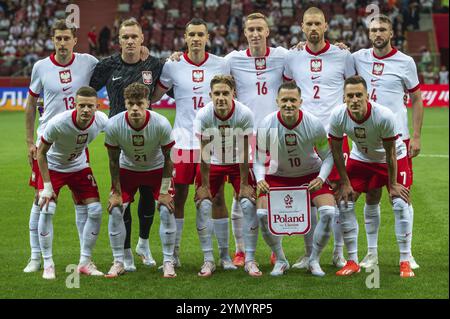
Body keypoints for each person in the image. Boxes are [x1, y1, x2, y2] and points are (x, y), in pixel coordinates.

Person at [151, 18, 230, 268]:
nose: (196, 39)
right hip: (182, 143)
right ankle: (173, 254)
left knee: (215, 199)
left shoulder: (222, 64)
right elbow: (152, 97)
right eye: (191, 35)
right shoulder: (172, 66)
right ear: (185, 38)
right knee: (180, 197)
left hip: (213, 143)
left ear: (208, 38)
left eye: (200, 34)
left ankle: (221, 256)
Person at [24, 19, 99, 274]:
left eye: (67, 38)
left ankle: (84, 260)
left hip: (77, 140)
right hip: (48, 141)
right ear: (52, 40)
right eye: (58, 38)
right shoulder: (41, 67)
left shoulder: (88, 62)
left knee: (83, 203)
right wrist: (28, 141)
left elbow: (111, 68)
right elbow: (31, 104)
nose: (63, 43)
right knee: (41, 200)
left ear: (75, 40)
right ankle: (36, 256)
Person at [283, 6, 355, 269]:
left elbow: (354, 88)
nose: (313, 29)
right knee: (307, 195)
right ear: (302, 27)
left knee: (341, 196)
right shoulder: (292, 57)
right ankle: (308, 253)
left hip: (336, 135)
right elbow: (287, 89)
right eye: (309, 24)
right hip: (304, 136)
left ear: (326, 26)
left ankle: (338, 253)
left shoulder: (343, 55)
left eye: (318, 24)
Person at [90, 18, 164, 271]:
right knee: (123, 198)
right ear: (118, 40)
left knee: (147, 195)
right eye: (125, 37)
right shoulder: (107, 66)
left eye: (134, 36)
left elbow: (178, 84)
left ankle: (143, 243)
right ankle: (126, 253)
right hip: (119, 140)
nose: (130, 41)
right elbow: (87, 93)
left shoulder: (154, 64)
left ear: (142, 39)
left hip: (149, 137)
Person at [352, 14, 423, 269]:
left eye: (382, 29)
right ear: (368, 34)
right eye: (373, 30)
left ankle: (407, 254)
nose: (378, 33)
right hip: (367, 141)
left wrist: (415, 135)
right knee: (371, 197)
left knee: (400, 197)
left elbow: (417, 99)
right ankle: (371, 254)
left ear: (391, 33)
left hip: (398, 140)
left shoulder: (405, 62)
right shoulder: (358, 58)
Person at [329, 75, 414, 278]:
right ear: (344, 98)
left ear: (368, 96)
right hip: (362, 158)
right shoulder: (338, 115)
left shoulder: (383, 116)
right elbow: (336, 150)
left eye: (359, 95)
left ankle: (405, 260)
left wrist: (392, 184)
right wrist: (345, 182)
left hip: (391, 158)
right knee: (345, 202)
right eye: (350, 95)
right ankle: (352, 261)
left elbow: (391, 152)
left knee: (400, 202)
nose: (355, 99)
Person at [224, 12, 289, 266]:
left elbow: (306, 55)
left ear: (267, 31)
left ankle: (275, 249)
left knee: (273, 191)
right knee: (240, 193)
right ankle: (240, 250)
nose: (254, 33)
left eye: (259, 29)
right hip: (243, 135)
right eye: (250, 29)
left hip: (274, 135)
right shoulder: (232, 60)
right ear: (244, 33)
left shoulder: (283, 56)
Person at [255, 81, 336, 276]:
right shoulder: (267, 124)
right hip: (278, 176)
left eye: (293, 100)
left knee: (328, 212)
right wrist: (260, 180)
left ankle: (313, 259)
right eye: (284, 100)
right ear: (277, 101)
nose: (288, 104)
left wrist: (321, 177)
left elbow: (328, 156)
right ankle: (281, 260)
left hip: (309, 175)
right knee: (261, 215)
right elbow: (257, 159)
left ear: (300, 101)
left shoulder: (314, 124)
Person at [104, 82, 176, 278]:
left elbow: (170, 159)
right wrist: (117, 193)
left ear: (147, 103)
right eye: (131, 103)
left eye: (140, 103)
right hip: (128, 170)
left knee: (167, 209)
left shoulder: (160, 123)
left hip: (156, 170)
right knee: (116, 209)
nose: (135, 108)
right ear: (125, 104)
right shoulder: (114, 124)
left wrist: (163, 191)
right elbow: (112, 161)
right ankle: (118, 261)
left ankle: (168, 262)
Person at [36, 86, 108, 279]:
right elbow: (40, 153)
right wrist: (47, 186)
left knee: (95, 210)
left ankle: (85, 262)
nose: (85, 110)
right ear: (74, 105)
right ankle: (48, 263)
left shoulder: (101, 120)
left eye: (90, 106)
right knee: (47, 209)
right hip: (53, 166)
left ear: (97, 106)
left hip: (79, 166)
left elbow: (116, 136)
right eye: (81, 105)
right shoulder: (59, 123)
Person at [193, 75, 256, 277]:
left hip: (238, 162)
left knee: (248, 203)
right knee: (205, 204)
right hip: (213, 161)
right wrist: (203, 185)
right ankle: (212, 259)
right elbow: (203, 152)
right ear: (210, 95)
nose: (221, 97)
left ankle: (250, 259)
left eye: (225, 93)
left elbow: (246, 151)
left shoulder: (244, 113)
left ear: (233, 94)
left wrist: (245, 184)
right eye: (217, 93)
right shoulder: (203, 115)